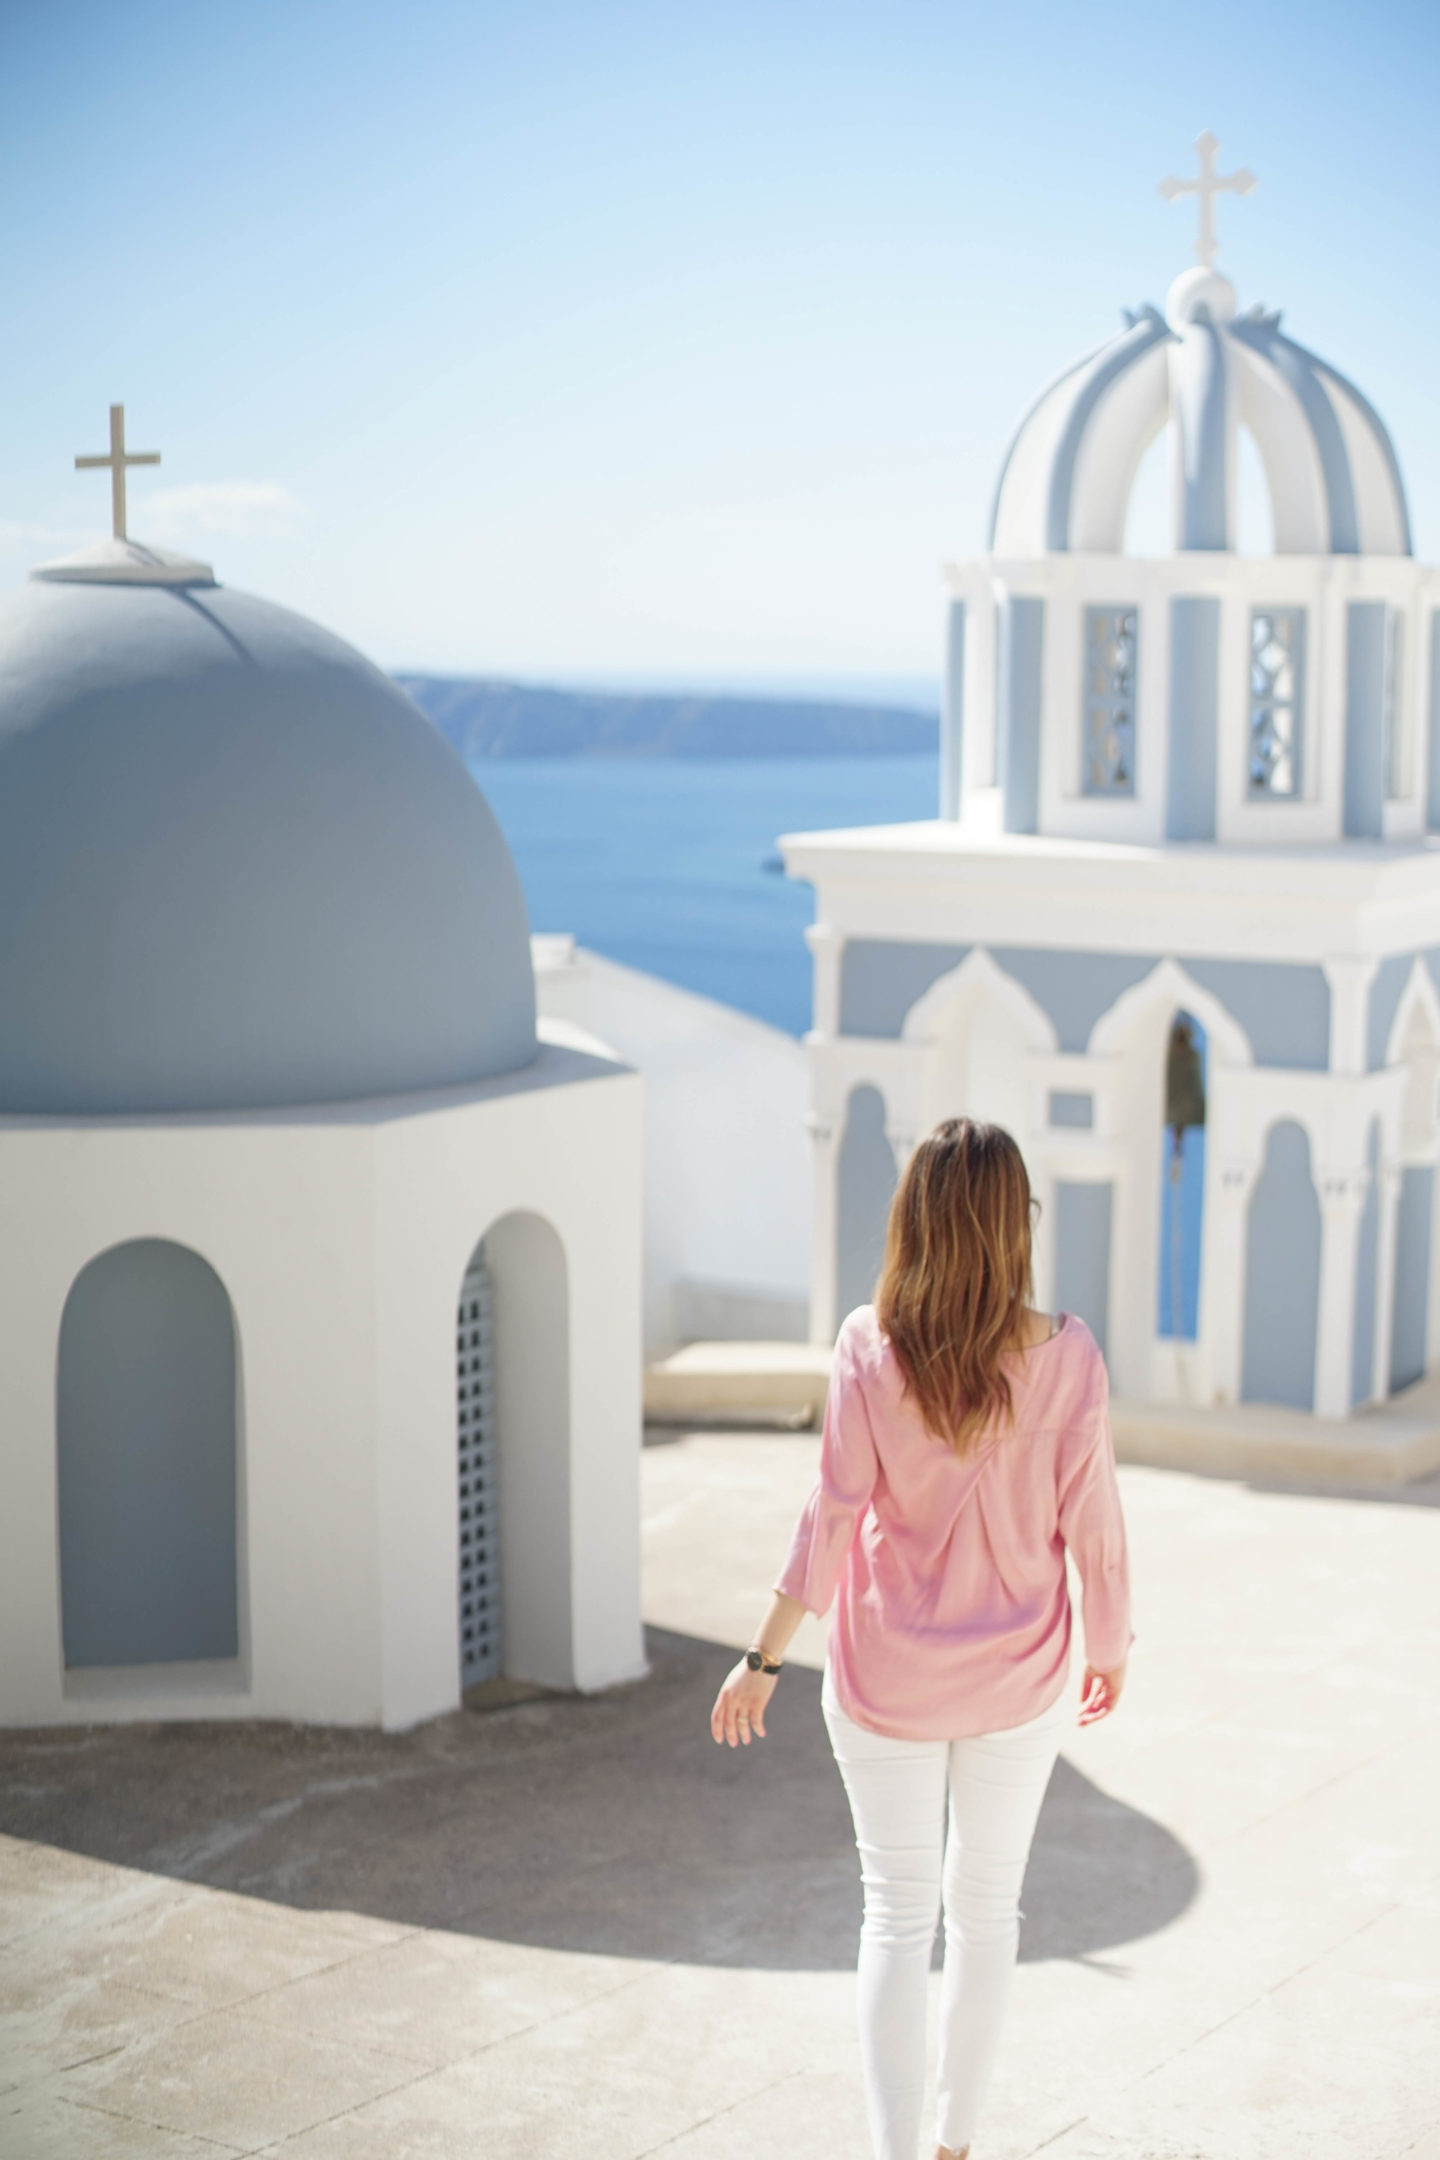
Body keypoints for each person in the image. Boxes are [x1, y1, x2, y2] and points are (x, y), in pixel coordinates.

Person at [709, 1118, 1132, 2160]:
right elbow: (1098, 1529)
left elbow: (831, 1513)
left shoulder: (867, 1346)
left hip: (883, 1677)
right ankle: (955, 2145)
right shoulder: (1069, 1357)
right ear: (1013, 1228)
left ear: (914, 1224)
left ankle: (899, 2153)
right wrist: (1108, 1648)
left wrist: (762, 1658)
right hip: (1020, 1680)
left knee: (896, 1918)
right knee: (987, 1914)